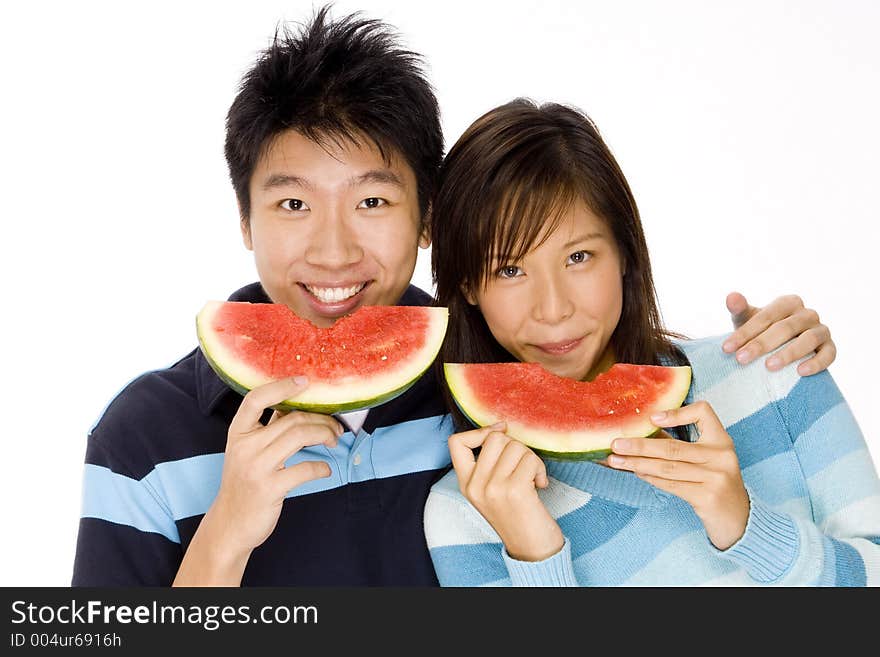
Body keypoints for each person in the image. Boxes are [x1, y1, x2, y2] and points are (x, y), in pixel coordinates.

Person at [72, 7, 839, 587]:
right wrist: (225, 535)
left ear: (429, 218)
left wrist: (769, 352)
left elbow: (597, 344)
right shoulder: (140, 438)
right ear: (243, 217)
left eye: (372, 202)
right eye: (293, 204)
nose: (334, 249)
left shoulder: (490, 385)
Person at [423, 98, 880, 586]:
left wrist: (745, 525)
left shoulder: (774, 368)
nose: (553, 308)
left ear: (623, 252)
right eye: (510, 269)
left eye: (578, 256)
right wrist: (537, 557)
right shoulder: (469, 511)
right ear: (468, 285)